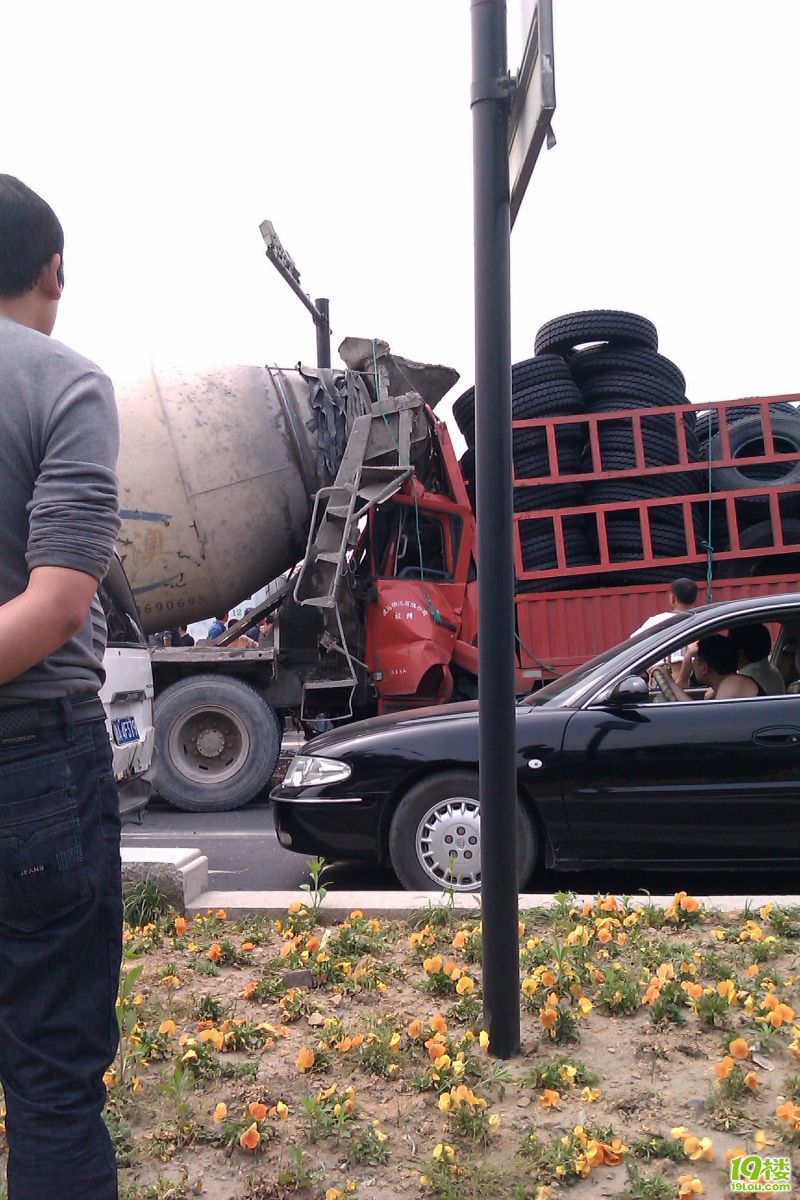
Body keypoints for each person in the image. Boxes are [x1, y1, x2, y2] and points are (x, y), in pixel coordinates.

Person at [0, 176, 122, 1198]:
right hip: (31, 763)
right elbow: (54, 609)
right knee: (49, 1072)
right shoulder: (64, 383)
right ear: (53, 271)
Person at [667, 634, 760, 701]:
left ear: (704, 668)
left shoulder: (732, 684)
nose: (693, 663)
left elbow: (703, 720)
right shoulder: (732, 682)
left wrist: (670, 683)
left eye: (694, 659)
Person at [630, 577, 699, 638]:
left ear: (673, 598)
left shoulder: (657, 621)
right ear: (695, 598)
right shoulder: (703, 620)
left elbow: (634, 640)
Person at [729, 623, 785, 696]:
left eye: (728, 645)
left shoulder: (744, 683)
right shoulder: (773, 672)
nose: (726, 651)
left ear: (740, 652)